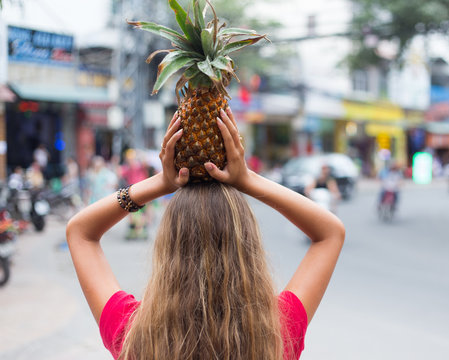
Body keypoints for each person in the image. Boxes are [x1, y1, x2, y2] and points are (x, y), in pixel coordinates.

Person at [66, 108, 345, 360]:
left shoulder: (133, 335)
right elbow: (330, 232)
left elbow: (80, 231)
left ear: (170, 245)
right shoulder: (278, 334)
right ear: (245, 243)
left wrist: (160, 183)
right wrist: (248, 179)